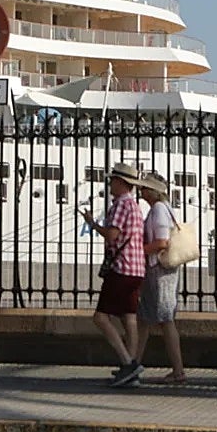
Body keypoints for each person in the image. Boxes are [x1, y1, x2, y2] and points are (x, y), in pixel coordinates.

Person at [79, 161, 146, 388]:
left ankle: (128, 364)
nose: (109, 184)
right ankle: (132, 369)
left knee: (100, 317)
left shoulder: (119, 206)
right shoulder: (135, 207)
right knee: (129, 318)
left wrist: (93, 224)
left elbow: (112, 235)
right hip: (137, 269)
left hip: (121, 268)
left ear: (120, 183)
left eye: (112, 180)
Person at [133, 171, 185, 384]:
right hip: (158, 270)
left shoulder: (159, 210)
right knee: (144, 319)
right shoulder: (162, 208)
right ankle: (133, 363)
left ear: (153, 191)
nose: (141, 190)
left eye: (144, 187)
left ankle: (178, 371)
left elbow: (162, 242)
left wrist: (138, 250)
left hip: (159, 271)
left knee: (165, 319)